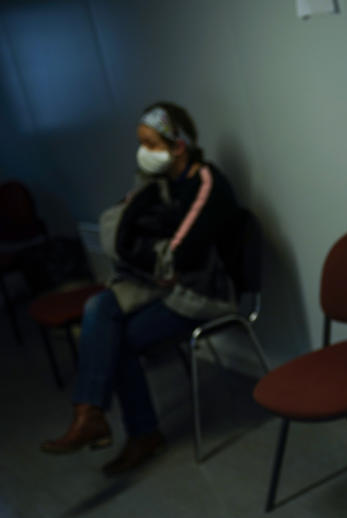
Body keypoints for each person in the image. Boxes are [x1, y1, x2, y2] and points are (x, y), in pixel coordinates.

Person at [41, 102, 242, 476]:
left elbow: (178, 257)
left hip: (201, 294)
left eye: (150, 144)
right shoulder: (156, 183)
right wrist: (143, 252)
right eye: (141, 143)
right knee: (99, 308)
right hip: (160, 286)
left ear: (177, 145)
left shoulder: (207, 185)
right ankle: (90, 414)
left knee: (114, 340)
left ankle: (139, 434)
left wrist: (143, 253)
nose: (143, 153)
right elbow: (116, 230)